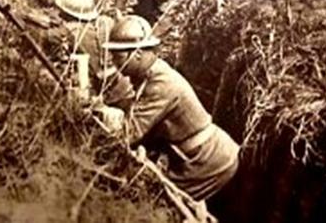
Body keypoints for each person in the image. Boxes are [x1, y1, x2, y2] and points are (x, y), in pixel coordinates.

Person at [102, 15, 240, 204]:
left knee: (156, 204)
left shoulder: (161, 84)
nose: (115, 63)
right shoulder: (149, 75)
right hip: (200, 155)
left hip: (207, 161)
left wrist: (103, 112)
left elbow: (129, 133)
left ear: (137, 54)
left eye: (118, 56)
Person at [43, 0, 133, 108]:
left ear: (66, 13)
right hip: (125, 86)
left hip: (102, 95)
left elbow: (47, 36)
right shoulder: (108, 22)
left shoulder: (69, 31)